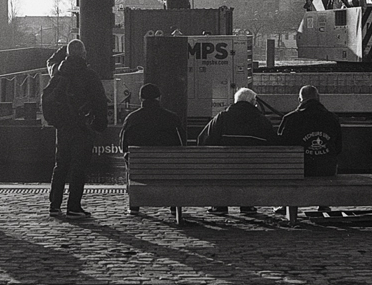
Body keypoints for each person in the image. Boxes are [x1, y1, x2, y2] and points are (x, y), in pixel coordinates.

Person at [47, 39, 109, 219]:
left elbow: (50, 61)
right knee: (78, 167)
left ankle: (54, 205)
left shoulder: (57, 72)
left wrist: (64, 50)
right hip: (83, 127)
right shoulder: (89, 75)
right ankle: (73, 207)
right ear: (83, 54)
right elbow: (99, 101)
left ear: (67, 54)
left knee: (60, 166)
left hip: (63, 127)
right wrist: (100, 123)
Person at [197, 87, 277, 215]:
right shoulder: (262, 120)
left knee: (221, 167)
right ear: (252, 102)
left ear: (236, 102)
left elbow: (203, 140)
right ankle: (247, 205)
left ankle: (219, 205)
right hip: (253, 171)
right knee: (250, 168)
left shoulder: (222, 118)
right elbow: (273, 143)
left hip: (224, 171)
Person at [119, 83, 185, 215]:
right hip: (167, 169)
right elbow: (182, 145)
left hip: (140, 169)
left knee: (130, 159)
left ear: (140, 98)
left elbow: (123, 145)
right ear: (159, 98)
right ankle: (173, 205)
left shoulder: (132, 118)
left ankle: (134, 206)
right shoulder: (172, 118)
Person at [277, 85, 342, 214]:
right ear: (318, 98)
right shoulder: (332, 118)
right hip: (326, 170)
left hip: (299, 170)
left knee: (286, 166)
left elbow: (281, 147)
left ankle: (287, 203)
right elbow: (338, 147)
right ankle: (324, 204)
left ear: (300, 100)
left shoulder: (290, 119)